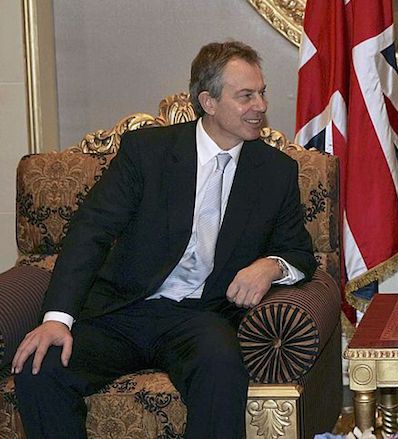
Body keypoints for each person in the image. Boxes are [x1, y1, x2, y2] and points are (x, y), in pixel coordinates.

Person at [11, 41, 316, 439]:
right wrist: (57, 320)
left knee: (222, 369)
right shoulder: (148, 153)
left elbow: (300, 251)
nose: (260, 105)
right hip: (122, 309)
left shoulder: (275, 171)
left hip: (200, 315)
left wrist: (270, 265)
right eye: (246, 96)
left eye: (262, 93)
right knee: (41, 368)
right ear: (208, 101)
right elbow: (92, 230)